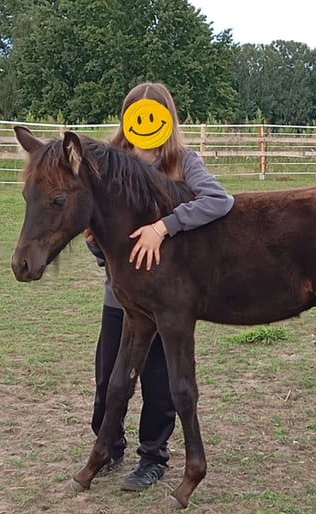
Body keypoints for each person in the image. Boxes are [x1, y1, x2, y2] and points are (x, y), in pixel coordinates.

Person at [84, 82, 234, 491]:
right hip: (121, 294)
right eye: (138, 115)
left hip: (167, 296)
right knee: (108, 376)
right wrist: (96, 244)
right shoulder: (108, 163)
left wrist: (163, 226)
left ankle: (153, 456)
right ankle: (108, 444)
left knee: (158, 380)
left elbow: (218, 200)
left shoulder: (182, 161)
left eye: (154, 115)